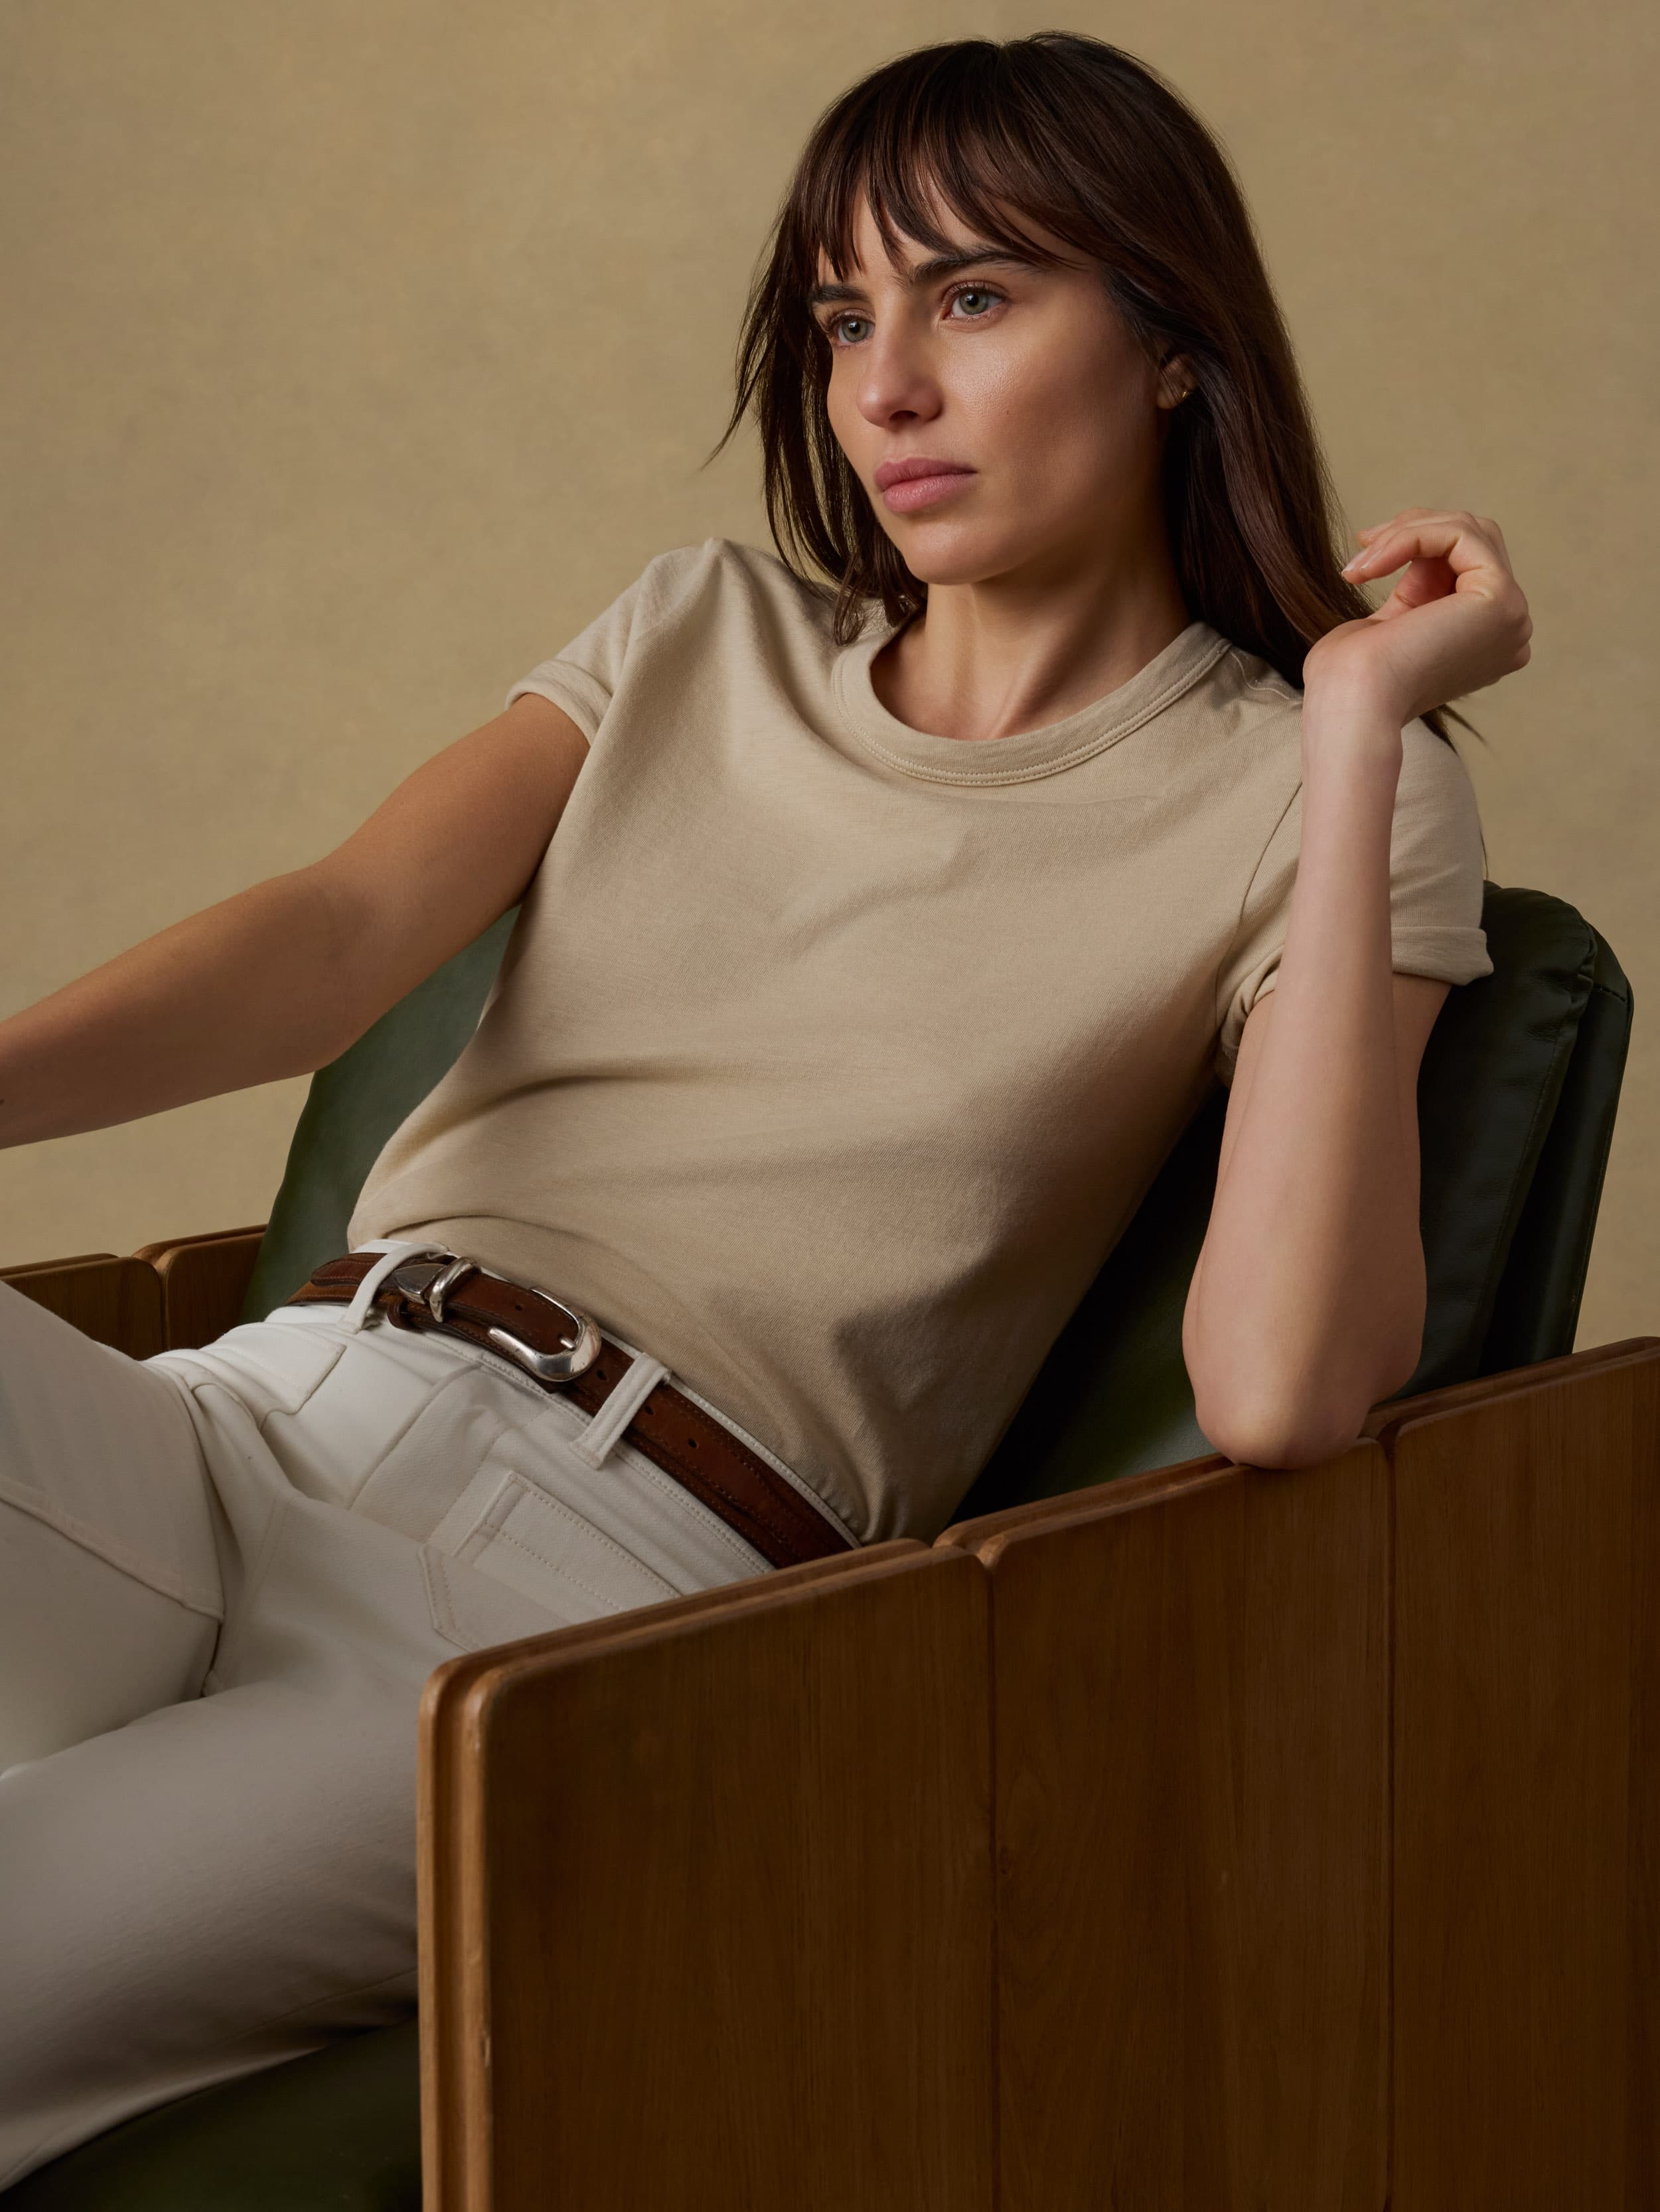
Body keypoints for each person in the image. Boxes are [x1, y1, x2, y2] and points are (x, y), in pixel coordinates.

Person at [0, 29, 1529, 2181]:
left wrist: (1361, 721)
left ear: (1174, 339)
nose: (885, 385)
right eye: (841, 317)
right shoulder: (696, 632)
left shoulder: (1303, 801)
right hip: (254, 1421)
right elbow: (339, 934)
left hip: (574, 1624)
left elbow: (1284, 1387)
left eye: (973, 297)